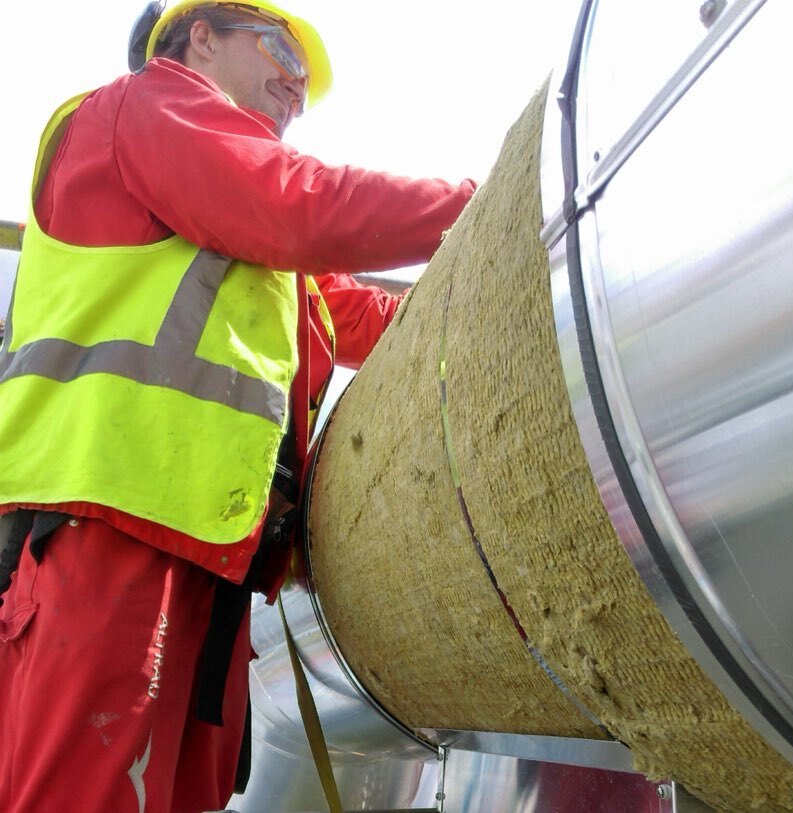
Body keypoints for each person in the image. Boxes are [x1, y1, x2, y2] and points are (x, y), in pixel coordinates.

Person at [0, 1, 475, 811]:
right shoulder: (142, 108)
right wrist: (483, 205)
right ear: (200, 37)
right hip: (105, 529)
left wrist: (499, 291)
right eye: (281, 49)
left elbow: (358, 317)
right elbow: (301, 204)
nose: (298, 83)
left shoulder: (248, 239)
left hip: (208, 555)